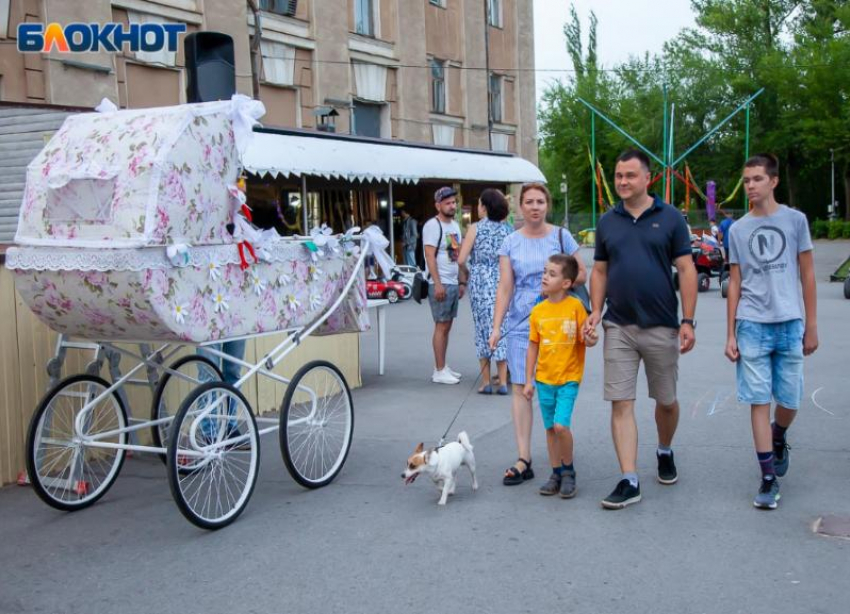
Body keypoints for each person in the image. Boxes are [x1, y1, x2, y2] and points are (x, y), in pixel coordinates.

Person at [583, 149, 698, 510]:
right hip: (619, 324)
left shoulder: (670, 218)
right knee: (621, 402)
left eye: (629, 175)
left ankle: (664, 449)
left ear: (647, 179)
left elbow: (686, 269)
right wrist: (595, 311)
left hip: (662, 324)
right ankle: (629, 479)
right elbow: (599, 270)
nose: (622, 182)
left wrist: (688, 320)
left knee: (665, 400)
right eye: (618, 175)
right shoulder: (607, 222)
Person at [724, 153, 818, 510]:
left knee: (790, 400)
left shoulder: (795, 221)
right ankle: (768, 478)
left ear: (773, 181)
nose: (750, 186)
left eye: (757, 179)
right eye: (746, 180)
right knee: (758, 401)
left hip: (789, 320)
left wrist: (811, 324)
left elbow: (807, 274)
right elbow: (735, 281)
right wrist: (730, 333)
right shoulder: (738, 229)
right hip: (751, 324)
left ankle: (779, 435)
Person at [489, 182, 587, 486]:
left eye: (540, 202)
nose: (534, 207)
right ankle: (524, 457)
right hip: (521, 325)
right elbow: (505, 286)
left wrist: (559, 285)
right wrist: (496, 328)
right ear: (520, 206)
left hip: (557, 325)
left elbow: (581, 272)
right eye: (529, 201)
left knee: (554, 387)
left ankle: (560, 448)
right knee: (521, 389)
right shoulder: (510, 242)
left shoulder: (561, 236)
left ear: (547, 205)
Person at [523, 254, 597, 498]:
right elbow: (533, 345)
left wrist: (591, 338)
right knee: (550, 429)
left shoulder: (575, 307)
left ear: (566, 283)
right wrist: (528, 380)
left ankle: (568, 471)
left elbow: (586, 337)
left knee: (560, 425)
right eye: (545, 271)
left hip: (568, 378)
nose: (545, 276)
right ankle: (555, 473)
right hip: (544, 379)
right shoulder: (538, 311)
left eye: (552, 274)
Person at [458, 189, 512, 394]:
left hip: (480, 281)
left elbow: (461, 259)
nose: (478, 207)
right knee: (501, 325)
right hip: (502, 279)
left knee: (483, 328)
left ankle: (486, 382)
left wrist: (467, 272)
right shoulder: (508, 230)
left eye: (480, 204)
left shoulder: (475, 228)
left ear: (486, 207)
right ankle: (504, 382)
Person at [423, 186, 467, 385]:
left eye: (453, 202)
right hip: (439, 283)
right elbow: (429, 256)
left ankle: (442, 365)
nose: (452, 206)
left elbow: (455, 254)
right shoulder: (432, 225)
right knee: (441, 326)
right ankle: (439, 370)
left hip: (451, 280)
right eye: (447, 203)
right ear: (438, 205)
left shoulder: (455, 226)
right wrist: (438, 283)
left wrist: (461, 280)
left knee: (447, 325)